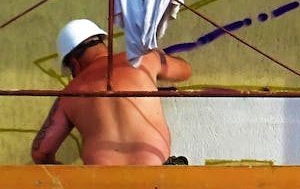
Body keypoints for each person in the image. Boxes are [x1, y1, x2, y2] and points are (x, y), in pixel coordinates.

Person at [31, 18, 192, 165]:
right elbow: (185, 71)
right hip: (156, 179)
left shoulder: (69, 94)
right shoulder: (144, 59)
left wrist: (60, 174)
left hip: (102, 186)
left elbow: (41, 152)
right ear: (103, 43)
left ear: (74, 64)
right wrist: (158, 56)